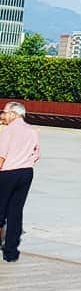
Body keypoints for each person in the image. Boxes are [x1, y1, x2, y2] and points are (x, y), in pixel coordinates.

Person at [0, 102, 41, 262]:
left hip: (8, 173)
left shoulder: (8, 131)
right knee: (16, 211)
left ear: (13, 114)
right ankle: (11, 252)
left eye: (4, 112)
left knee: (1, 208)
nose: (3, 116)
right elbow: (36, 155)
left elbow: (1, 157)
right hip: (26, 172)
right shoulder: (32, 131)